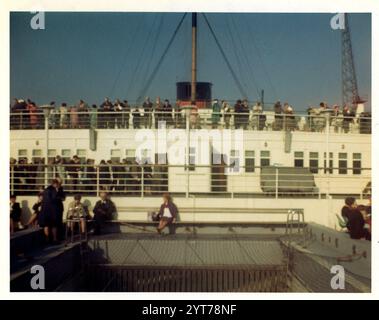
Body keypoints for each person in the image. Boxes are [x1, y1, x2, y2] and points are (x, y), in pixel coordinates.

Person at [38, 179, 66, 244]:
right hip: (52, 210)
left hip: (46, 210)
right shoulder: (52, 190)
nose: (59, 185)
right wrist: (60, 197)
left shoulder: (47, 189)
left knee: (47, 225)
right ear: (55, 184)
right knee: (53, 225)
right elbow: (55, 199)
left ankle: (48, 239)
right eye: (58, 183)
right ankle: (54, 239)